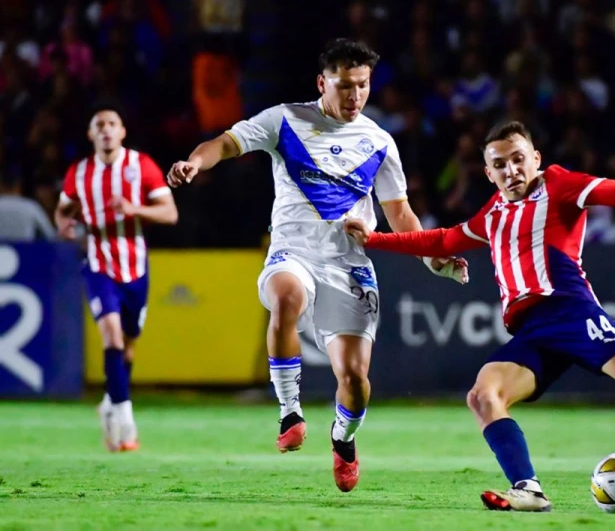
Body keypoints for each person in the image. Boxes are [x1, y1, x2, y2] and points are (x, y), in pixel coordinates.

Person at [344, 120, 615, 512]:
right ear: (488, 173)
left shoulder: (561, 186)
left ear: (535, 159)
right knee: (483, 395)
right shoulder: (492, 214)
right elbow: (442, 239)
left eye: (517, 159)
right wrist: (375, 239)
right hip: (532, 331)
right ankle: (528, 488)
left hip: (571, 313)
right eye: (499, 165)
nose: (511, 170)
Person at [166, 38, 466, 492]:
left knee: (355, 379)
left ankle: (343, 440)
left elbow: (400, 215)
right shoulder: (285, 119)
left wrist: (432, 258)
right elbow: (226, 143)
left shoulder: (379, 141)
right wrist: (194, 162)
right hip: (293, 248)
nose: (355, 96)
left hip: (348, 263)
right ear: (322, 82)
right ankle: (290, 411)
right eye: (345, 85)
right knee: (286, 297)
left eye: (363, 86)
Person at [55, 103, 179, 452]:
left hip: (135, 268)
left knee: (127, 346)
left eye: (112, 123)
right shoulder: (79, 173)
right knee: (111, 334)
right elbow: (63, 210)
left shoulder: (141, 166)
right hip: (97, 264)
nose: (107, 129)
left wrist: (135, 209)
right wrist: (63, 224)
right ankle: (125, 422)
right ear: (91, 134)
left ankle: (111, 401)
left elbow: (170, 213)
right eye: (100, 125)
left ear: (122, 131)